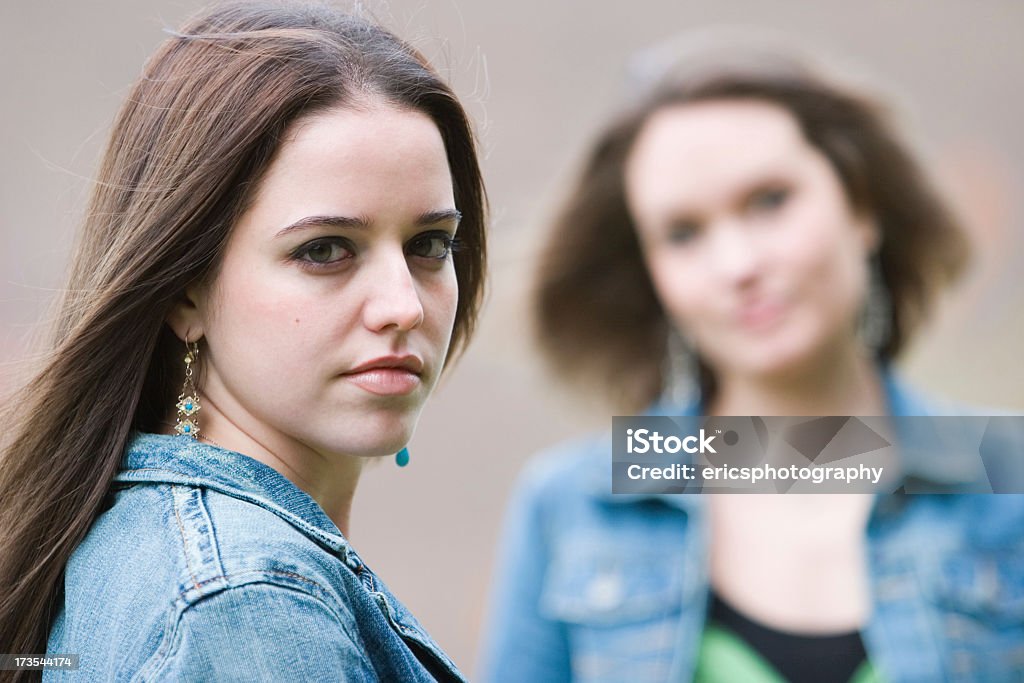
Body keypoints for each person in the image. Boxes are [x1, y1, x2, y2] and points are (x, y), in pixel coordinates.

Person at [480, 35, 1024, 683]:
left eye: (770, 200)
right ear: (652, 274)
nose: (738, 264)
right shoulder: (573, 504)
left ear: (861, 206)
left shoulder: (1006, 472)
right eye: (683, 233)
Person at [0, 2, 486, 681]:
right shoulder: (248, 604)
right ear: (184, 290)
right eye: (325, 250)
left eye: (430, 244)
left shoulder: (148, 542)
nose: (403, 305)